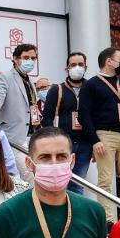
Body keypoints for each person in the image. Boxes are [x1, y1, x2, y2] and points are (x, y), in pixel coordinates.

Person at [77, 47, 120, 224]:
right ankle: (108, 220)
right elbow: (84, 114)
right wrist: (94, 140)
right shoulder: (91, 85)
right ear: (109, 61)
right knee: (105, 180)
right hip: (105, 135)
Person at [0, 43, 41, 181]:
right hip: (13, 140)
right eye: (26, 57)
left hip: (31, 138)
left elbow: (32, 108)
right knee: (29, 178)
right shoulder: (5, 78)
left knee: (35, 177)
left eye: (33, 58)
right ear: (16, 59)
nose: (30, 61)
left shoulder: (30, 82)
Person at [42, 53, 94, 192]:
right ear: (67, 68)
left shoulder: (92, 89)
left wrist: (95, 142)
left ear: (86, 67)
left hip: (85, 144)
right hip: (63, 143)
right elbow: (47, 118)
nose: (77, 68)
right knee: (60, 182)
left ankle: (75, 212)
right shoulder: (56, 89)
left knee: (77, 184)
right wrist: (52, 141)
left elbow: (98, 117)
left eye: (80, 64)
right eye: (73, 65)